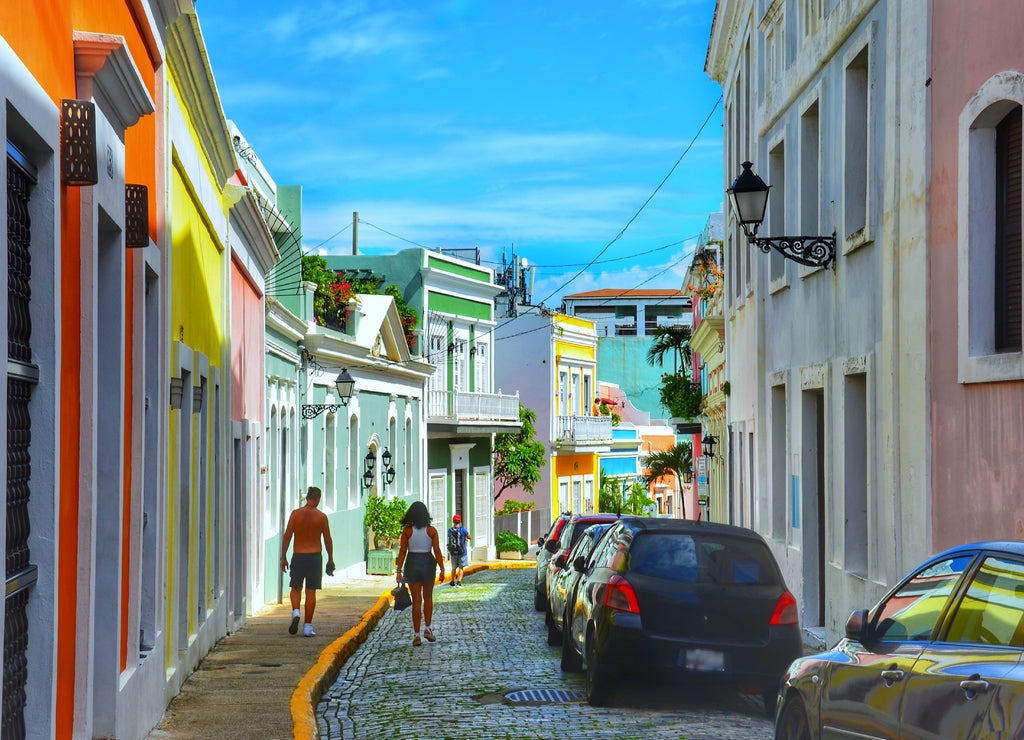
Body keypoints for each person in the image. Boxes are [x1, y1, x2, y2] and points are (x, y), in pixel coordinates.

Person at [280, 487, 334, 637]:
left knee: (295, 588)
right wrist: (330, 559)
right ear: (317, 499)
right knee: (311, 592)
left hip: (299, 555)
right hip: (315, 557)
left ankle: (296, 612)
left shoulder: (295, 514)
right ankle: (307, 627)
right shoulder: (321, 517)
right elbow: (328, 540)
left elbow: (287, 536)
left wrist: (283, 557)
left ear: (307, 498)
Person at [394, 501, 445, 646]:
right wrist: (442, 568)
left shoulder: (407, 531)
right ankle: (428, 629)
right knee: (428, 597)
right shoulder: (432, 531)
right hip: (428, 562)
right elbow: (437, 551)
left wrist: (399, 570)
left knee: (417, 601)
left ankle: (416, 636)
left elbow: (403, 551)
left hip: (412, 563)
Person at [446, 514, 471, 587]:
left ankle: (452, 581)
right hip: (462, 552)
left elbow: (449, 537)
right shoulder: (463, 529)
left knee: (453, 568)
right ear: (460, 521)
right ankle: (459, 583)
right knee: (461, 568)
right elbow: (470, 537)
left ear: (453, 521)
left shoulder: (450, 530)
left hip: (453, 552)